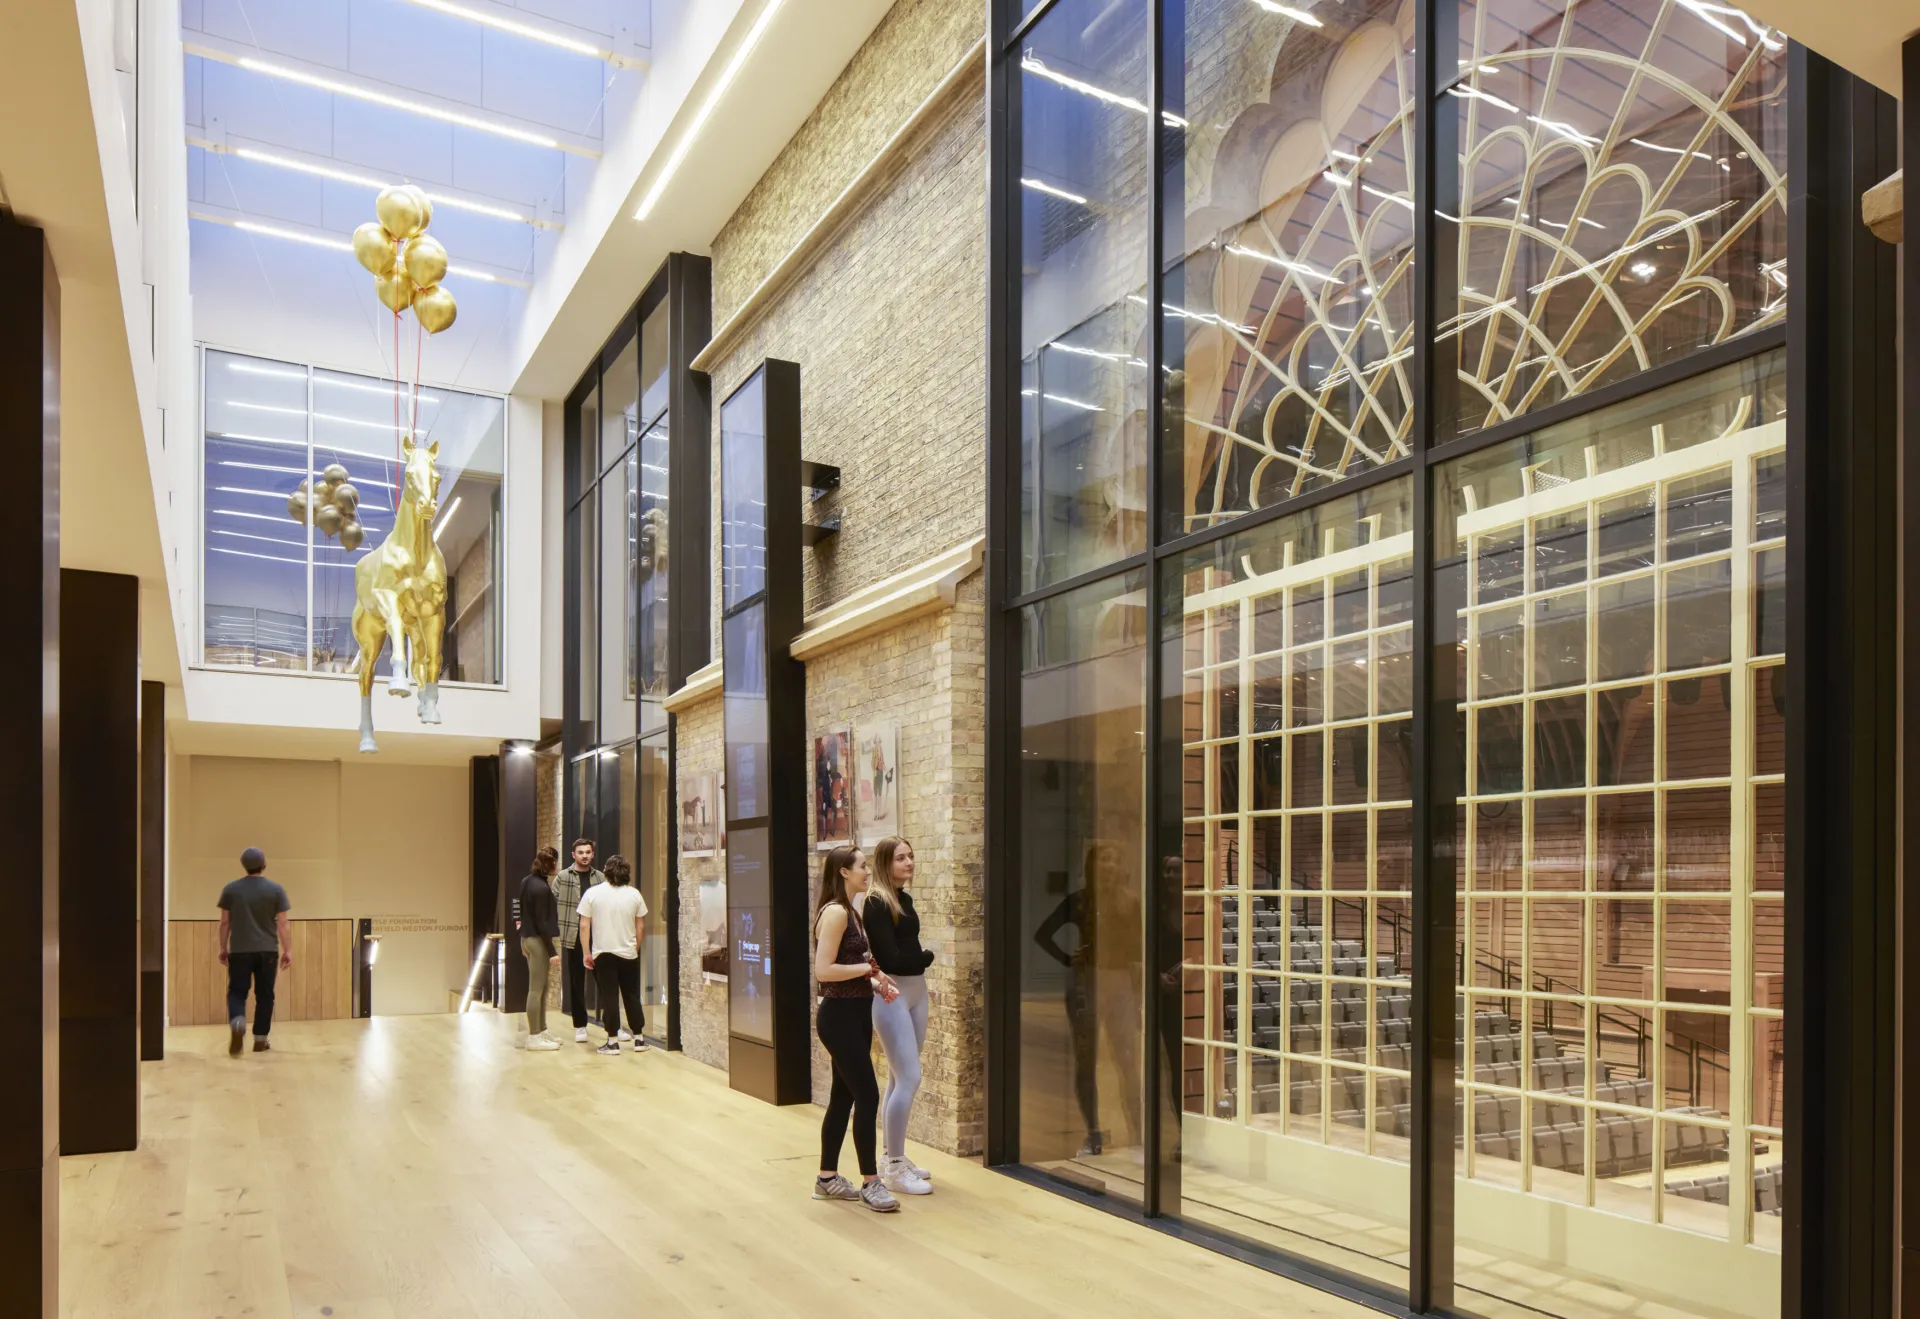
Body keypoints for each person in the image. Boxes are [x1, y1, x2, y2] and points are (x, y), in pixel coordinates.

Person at [811, 846, 901, 1213]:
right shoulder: (834, 913)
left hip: (856, 1014)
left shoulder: (853, 912)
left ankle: (827, 1178)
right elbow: (823, 971)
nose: (868, 871)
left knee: (844, 1097)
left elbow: (856, 963)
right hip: (839, 1019)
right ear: (845, 872)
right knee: (868, 1095)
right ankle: (870, 1182)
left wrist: (878, 982)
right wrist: (866, 973)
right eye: (863, 866)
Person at [860, 836, 935, 1195]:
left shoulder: (902, 898)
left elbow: (904, 950)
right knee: (909, 1078)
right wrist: (926, 957)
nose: (909, 862)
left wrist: (919, 961)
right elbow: (889, 959)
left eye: (911, 856)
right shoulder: (875, 902)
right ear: (885, 864)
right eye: (901, 858)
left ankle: (895, 1156)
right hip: (892, 995)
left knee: (897, 1077)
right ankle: (891, 1169)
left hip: (916, 992)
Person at [218, 847, 291, 1058]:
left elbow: (224, 922)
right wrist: (288, 950)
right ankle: (260, 1040)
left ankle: (238, 1020)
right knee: (265, 995)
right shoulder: (276, 890)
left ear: (244, 865)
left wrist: (223, 948)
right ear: (264, 865)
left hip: (240, 950)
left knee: (237, 992)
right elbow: (283, 924)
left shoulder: (231, 889)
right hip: (267, 950)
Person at [578, 854, 649, 1055]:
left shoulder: (592, 894)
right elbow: (641, 926)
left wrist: (586, 952)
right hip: (628, 952)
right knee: (631, 995)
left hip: (603, 953)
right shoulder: (634, 894)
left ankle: (612, 1042)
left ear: (606, 871)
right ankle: (639, 1039)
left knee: (609, 996)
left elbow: (584, 925)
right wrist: (635, 947)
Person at [552, 839, 605, 1043]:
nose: (584, 855)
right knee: (576, 982)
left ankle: (613, 1025)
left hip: (598, 935)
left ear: (592, 854)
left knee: (604, 980)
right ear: (573, 855)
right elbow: (551, 900)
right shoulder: (563, 877)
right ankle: (580, 1025)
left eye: (588, 852)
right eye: (580, 852)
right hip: (572, 936)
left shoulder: (600, 878)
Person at [515, 846, 562, 1051]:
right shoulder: (541, 889)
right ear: (550, 864)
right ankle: (534, 1036)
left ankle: (541, 1029)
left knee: (540, 988)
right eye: (555, 862)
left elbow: (521, 912)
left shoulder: (527, 882)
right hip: (537, 941)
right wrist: (552, 951)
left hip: (527, 938)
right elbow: (542, 923)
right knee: (536, 989)